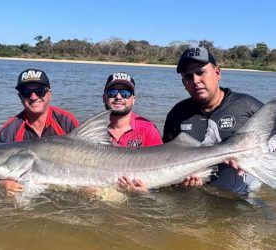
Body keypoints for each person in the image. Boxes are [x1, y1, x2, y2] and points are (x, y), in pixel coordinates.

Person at [121, 46, 264, 195]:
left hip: (243, 186)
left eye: (201, 72)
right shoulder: (177, 114)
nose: (196, 80)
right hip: (197, 189)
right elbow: (163, 162)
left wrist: (251, 156)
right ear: (184, 84)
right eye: (188, 77)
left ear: (217, 73)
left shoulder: (247, 105)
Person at [0, 68, 79, 195]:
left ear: (49, 94)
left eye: (39, 91)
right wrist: (3, 183)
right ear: (20, 97)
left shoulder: (66, 121)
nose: (33, 97)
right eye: (26, 92)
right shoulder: (8, 130)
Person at [103, 72, 163, 191]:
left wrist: (147, 192)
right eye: (112, 93)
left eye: (125, 94)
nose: (118, 97)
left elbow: (162, 167)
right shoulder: (93, 130)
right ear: (104, 98)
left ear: (133, 100)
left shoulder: (148, 129)